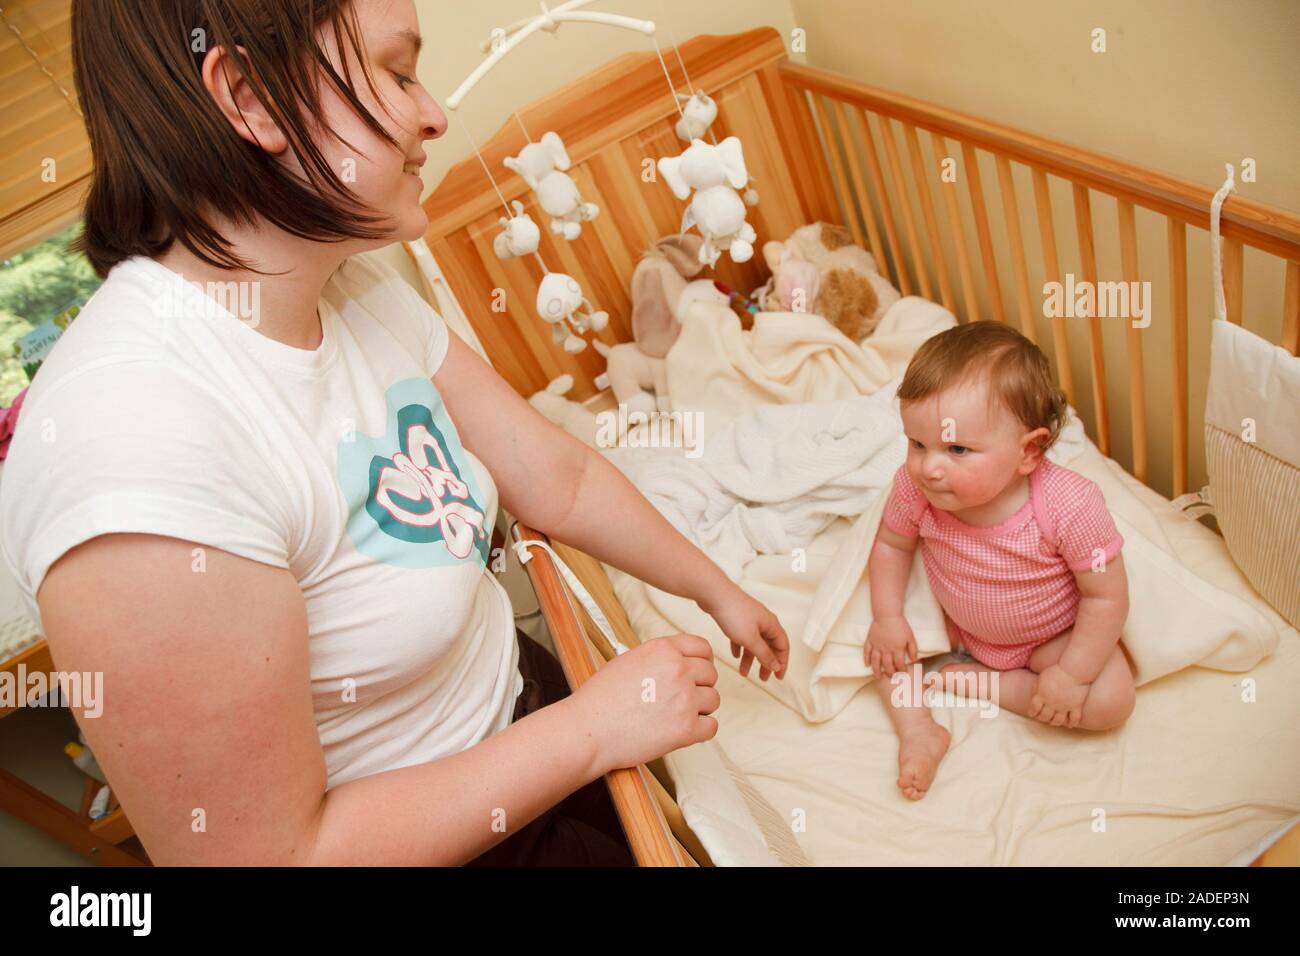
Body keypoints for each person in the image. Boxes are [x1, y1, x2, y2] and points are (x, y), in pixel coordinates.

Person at [0, 0, 788, 865]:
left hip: (526, 712)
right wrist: (594, 731)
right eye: (397, 70)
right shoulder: (133, 446)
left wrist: (715, 589)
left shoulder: (350, 284)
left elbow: (554, 474)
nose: (435, 113)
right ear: (250, 98)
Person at [863, 322, 1135, 801]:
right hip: (955, 627)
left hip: (1046, 641)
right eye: (917, 444)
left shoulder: (1069, 505)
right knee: (876, 650)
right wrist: (888, 618)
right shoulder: (916, 489)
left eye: (957, 449)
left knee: (1112, 700)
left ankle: (992, 686)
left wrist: (1070, 676)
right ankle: (918, 730)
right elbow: (891, 545)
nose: (929, 466)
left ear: (1028, 450)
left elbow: (1105, 596)